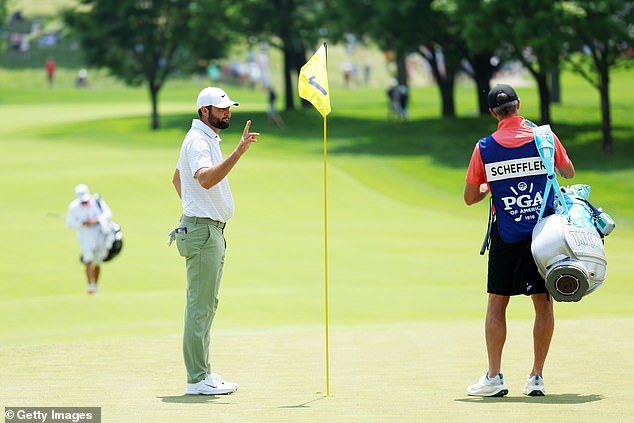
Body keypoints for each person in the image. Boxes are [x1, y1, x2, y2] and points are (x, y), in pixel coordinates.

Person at [464, 84, 575, 397]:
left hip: (506, 235)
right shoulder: (545, 138)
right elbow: (568, 172)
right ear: (518, 105)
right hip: (545, 236)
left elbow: (470, 197)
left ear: (492, 113)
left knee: (497, 303)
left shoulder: (484, 147)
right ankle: (536, 376)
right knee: (543, 302)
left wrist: (489, 187)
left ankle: (494, 377)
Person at [171, 86, 260, 395]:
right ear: (203, 111)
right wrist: (238, 153)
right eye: (220, 108)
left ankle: (204, 372)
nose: (227, 112)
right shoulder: (198, 140)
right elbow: (204, 178)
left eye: (228, 108)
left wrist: (193, 208)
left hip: (208, 229)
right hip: (203, 232)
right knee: (200, 306)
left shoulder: (206, 138)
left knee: (206, 305)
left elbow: (177, 178)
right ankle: (196, 379)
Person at [66, 184, 112, 295]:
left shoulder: (97, 201)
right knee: (88, 260)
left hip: (98, 235)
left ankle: (95, 285)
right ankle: (90, 286)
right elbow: (70, 223)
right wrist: (82, 223)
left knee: (97, 262)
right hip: (84, 236)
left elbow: (107, 213)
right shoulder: (73, 207)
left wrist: (95, 220)